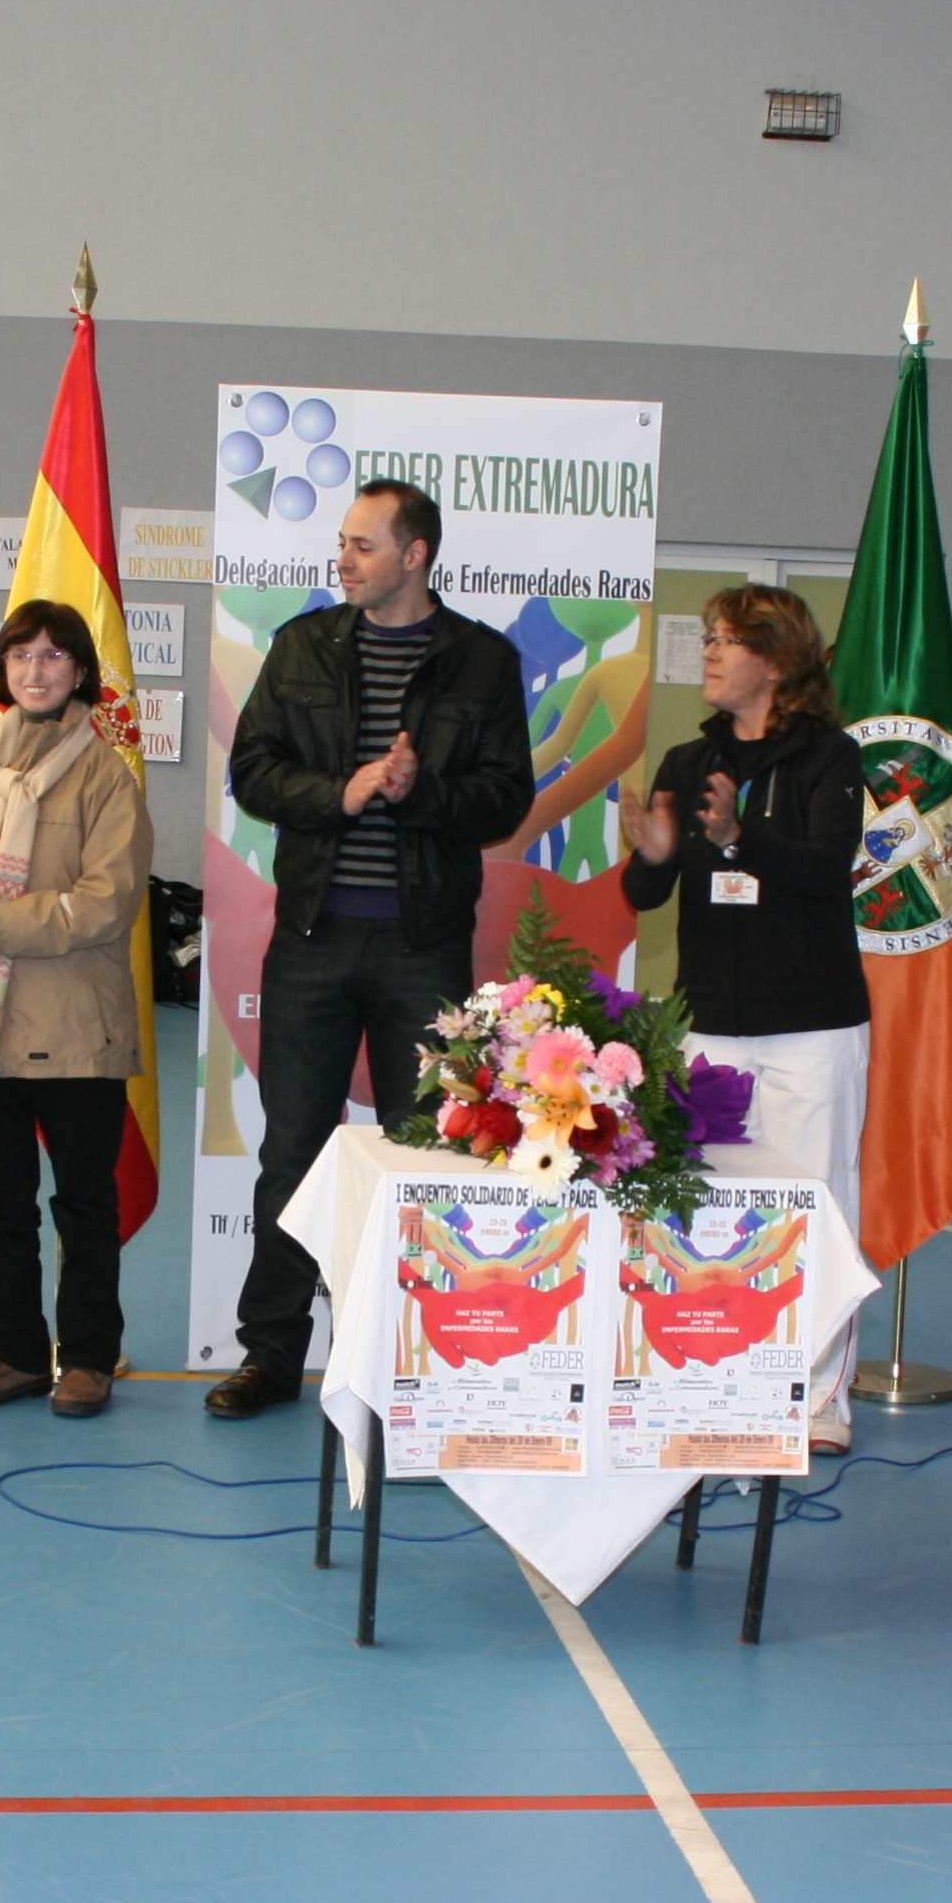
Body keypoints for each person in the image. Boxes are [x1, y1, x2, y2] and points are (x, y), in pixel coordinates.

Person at [211, 480, 535, 1415]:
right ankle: (271, 1355)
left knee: (425, 1154)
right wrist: (340, 795)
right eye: (343, 544)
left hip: (424, 946)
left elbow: (504, 799)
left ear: (415, 554)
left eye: (362, 545)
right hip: (312, 939)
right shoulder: (303, 645)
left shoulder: (483, 660)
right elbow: (253, 771)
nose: (344, 560)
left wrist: (417, 789)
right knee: (293, 1153)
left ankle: (414, 1362)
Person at [619, 584, 873, 1451]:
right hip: (711, 1023)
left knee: (814, 1203)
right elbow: (648, 890)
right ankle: (720, 1377)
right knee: (714, 1210)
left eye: (727, 640)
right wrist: (654, 858)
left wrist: (736, 838)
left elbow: (825, 871)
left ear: (777, 659)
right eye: (709, 638)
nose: (710, 653)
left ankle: (819, 1397)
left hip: (810, 1025)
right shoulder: (686, 762)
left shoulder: (830, 757)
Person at [0, 601, 152, 1419]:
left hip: (74, 1028)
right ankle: (13, 1353)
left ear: (81, 671)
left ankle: (87, 1357)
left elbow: (105, 904)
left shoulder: (106, 777)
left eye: (54, 656)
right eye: (22, 655)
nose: (36, 670)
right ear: (2, 668)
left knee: (85, 1205)